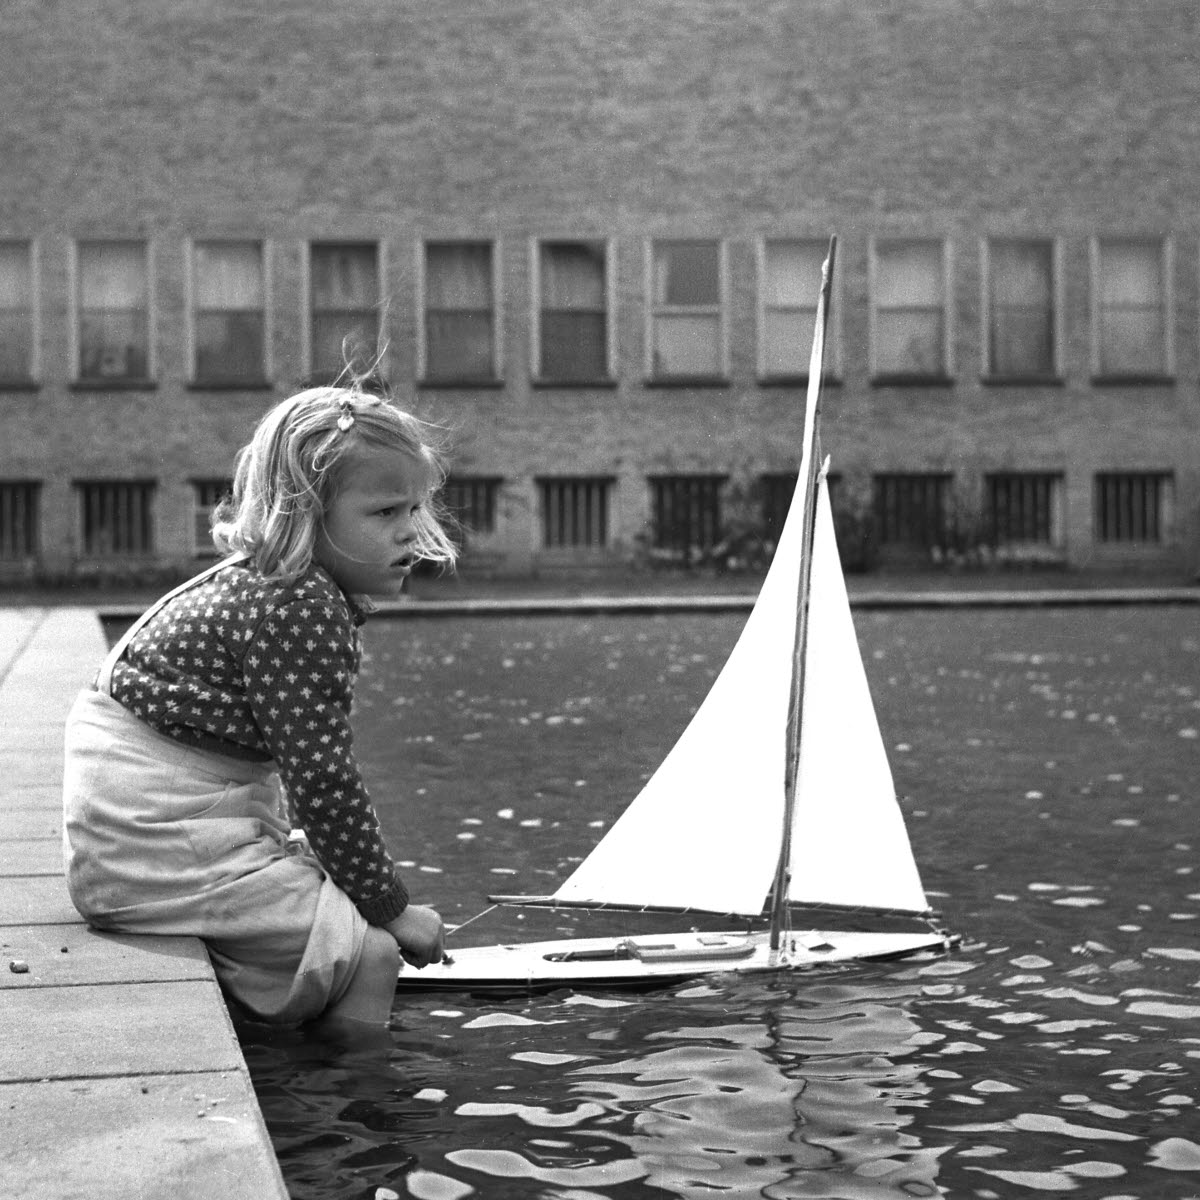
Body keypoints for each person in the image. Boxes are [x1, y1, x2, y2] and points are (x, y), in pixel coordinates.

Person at [62, 382, 457, 1034]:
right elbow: (322, 782)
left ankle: (281, 1017)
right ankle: (353, 1111)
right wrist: (391, 909)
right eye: (385, 512)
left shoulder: (264, 584)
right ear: (305, 513)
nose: (412, 531)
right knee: (374, 953)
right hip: (153, 851)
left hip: (135, 837)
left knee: (329, 889)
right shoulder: (300, 605)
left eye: (416, 507)